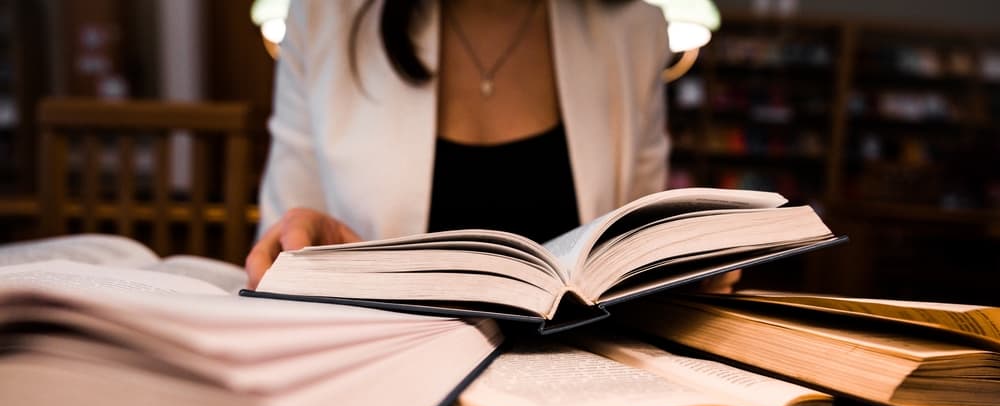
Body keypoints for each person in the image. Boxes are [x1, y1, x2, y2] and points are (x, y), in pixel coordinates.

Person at [244, 0, 740, 292]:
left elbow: (629, 248)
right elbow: (277, 249)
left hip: (571, 391)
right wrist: (294, 243)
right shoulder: (323, 19)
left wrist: (677, 274)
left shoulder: (633, 30)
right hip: (377, 378)